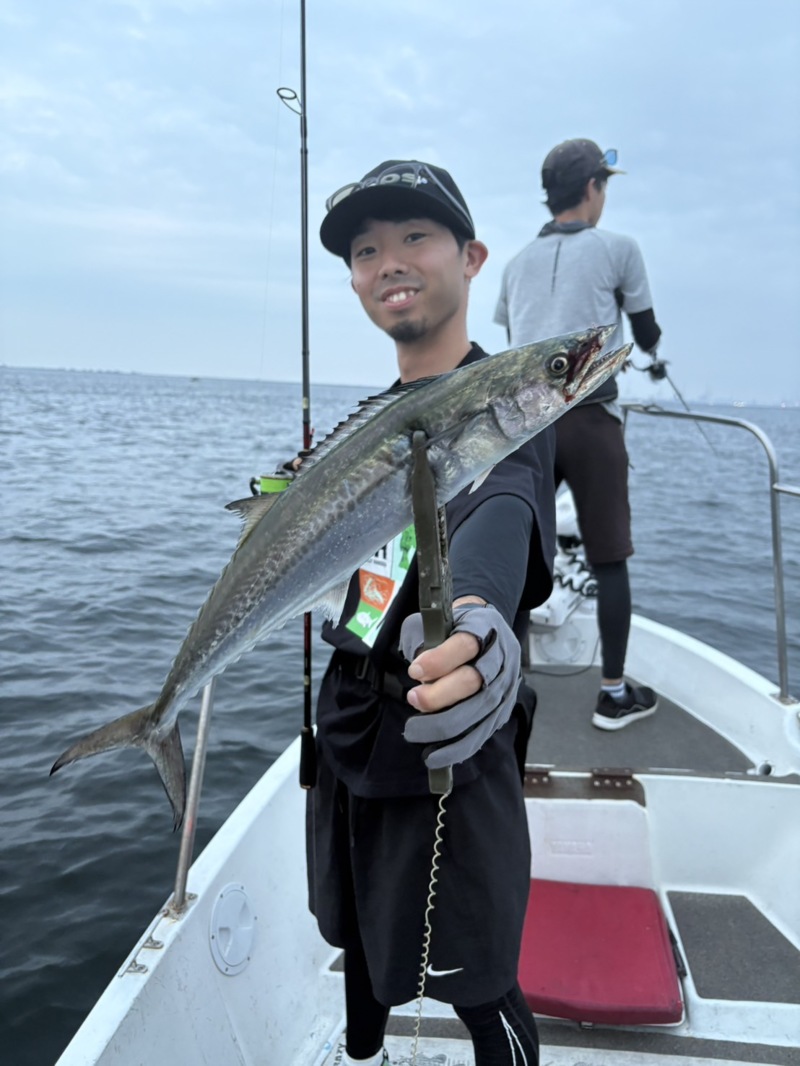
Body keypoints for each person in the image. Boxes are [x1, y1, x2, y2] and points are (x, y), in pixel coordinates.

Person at [306, 160, 557, 1066]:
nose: (389, 262)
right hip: (348, 727)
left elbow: (505, 498)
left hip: (445, 737)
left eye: (415, 236)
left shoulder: (507, 402)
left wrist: (482, 624)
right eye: (365, 250)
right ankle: (360, 1055)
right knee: (358, 947)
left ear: (472, 257)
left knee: (481, 983)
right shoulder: (370, 422)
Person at [495, 138, 661, 731]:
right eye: (604, 185)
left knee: (517, 556)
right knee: (609, 558)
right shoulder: (619, 248)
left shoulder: (515, 263)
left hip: (525, 428)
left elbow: (516, 338)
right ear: (593, 187)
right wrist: (649, 348)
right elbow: (645, 332)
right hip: (591, 421)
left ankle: (505, 689)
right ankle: (612, 695)